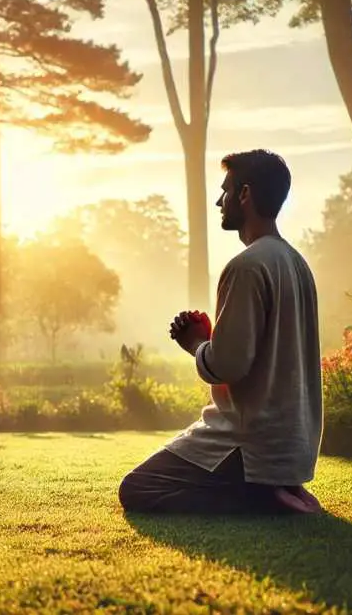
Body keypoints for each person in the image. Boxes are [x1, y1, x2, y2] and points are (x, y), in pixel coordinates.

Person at [117, 149, 323, 515]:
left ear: (245, 195)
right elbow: (257, 354)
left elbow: (229, 366)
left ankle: (259, 498)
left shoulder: (247, 266)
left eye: (226, 191)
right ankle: (273, 489)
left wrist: (195, 342)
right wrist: (216, 339)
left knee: (138, 488)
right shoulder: (297, 265)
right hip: (290, 448)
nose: (219, 201)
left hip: (247, 443)